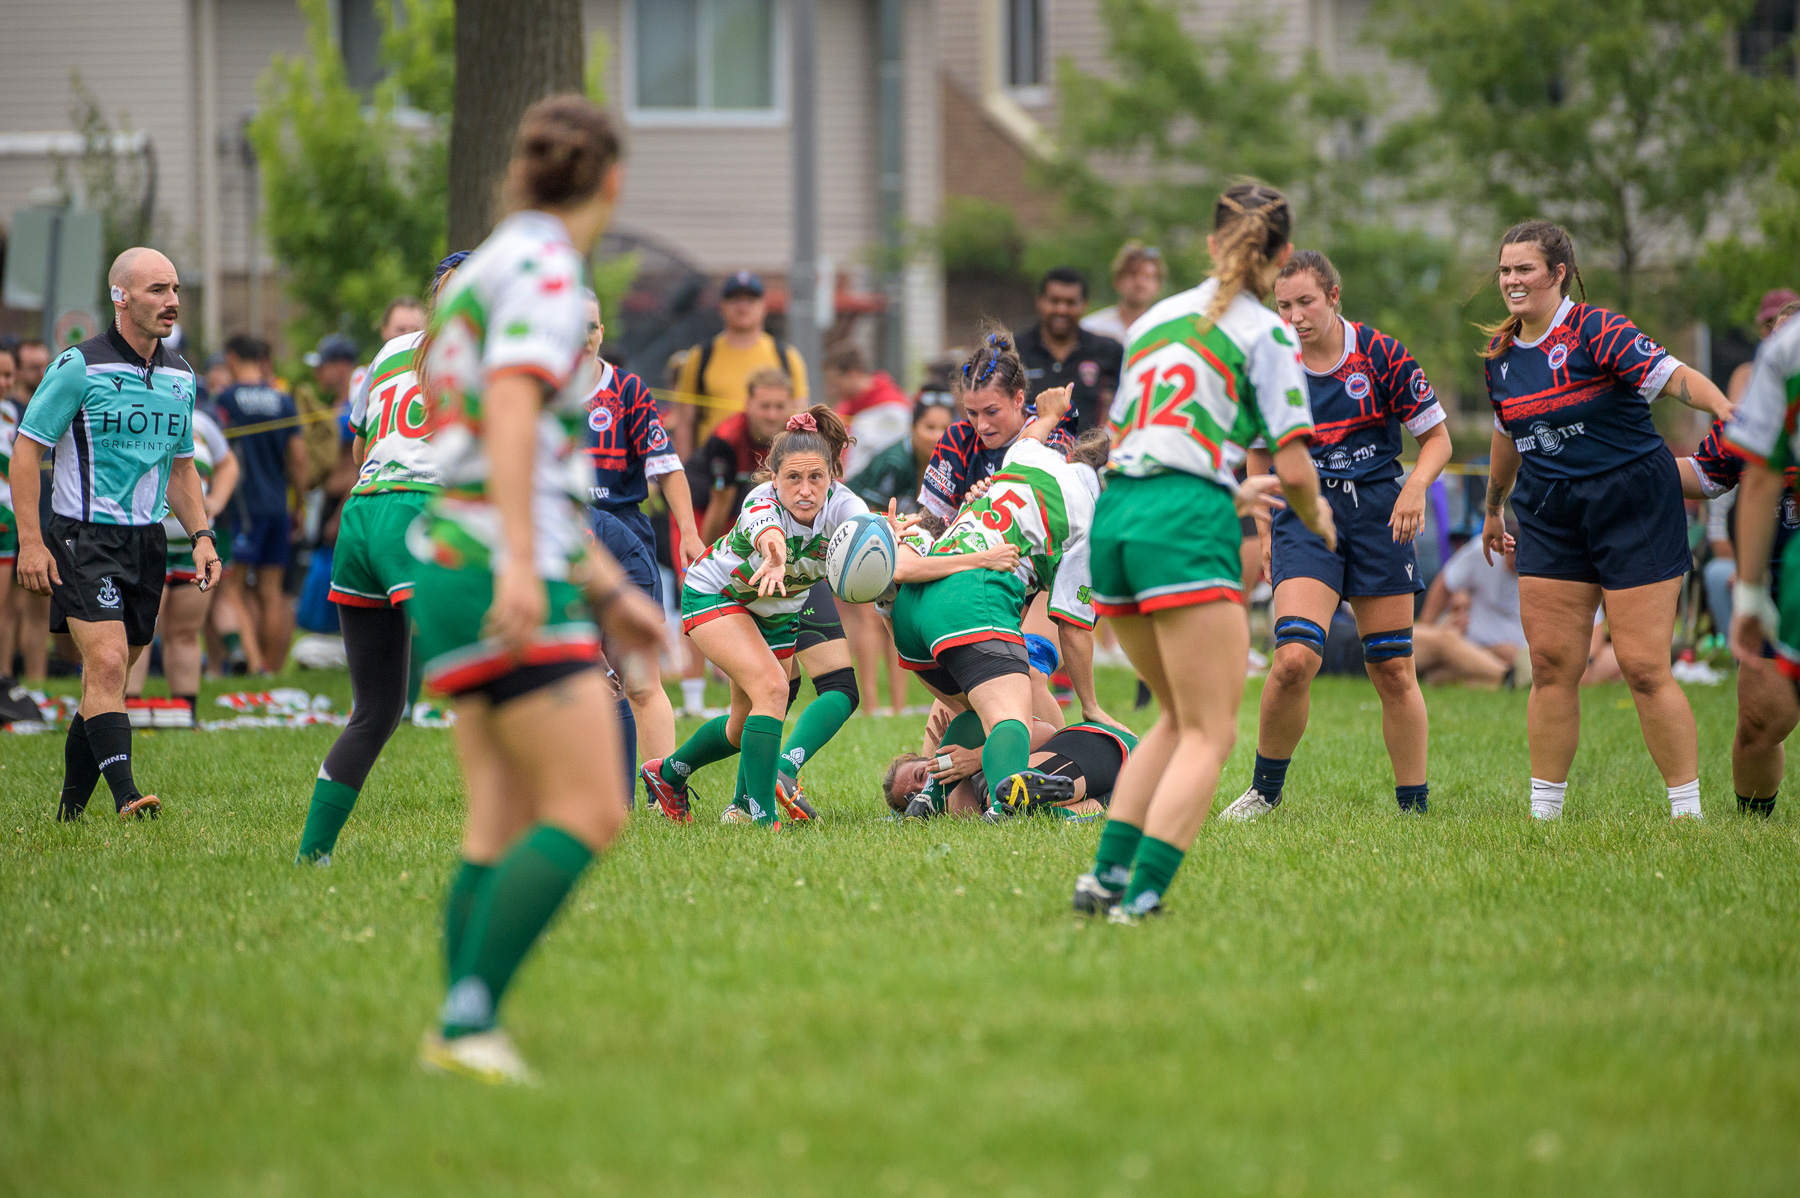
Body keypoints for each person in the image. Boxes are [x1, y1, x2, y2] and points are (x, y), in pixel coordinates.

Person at [409, 95, 665, 1084]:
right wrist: (526, 562)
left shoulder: (484, 267)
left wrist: (607, 588)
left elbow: (496, 432)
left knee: (498, 820)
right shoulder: (554, 272)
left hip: (449, 555)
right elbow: (514, 414)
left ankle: (456, 1027)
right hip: (497, 561)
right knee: (594, 807)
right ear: (615, 181)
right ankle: (467, 1019)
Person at [1070, 182, 1334, 923]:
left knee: (1176, 717)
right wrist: (1317, 518)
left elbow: (1143, 438)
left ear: (1213, 244)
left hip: (1119, 512)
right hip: (1183, 522)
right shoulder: (1267, 333)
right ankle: (1141, 896)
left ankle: (1105, 878)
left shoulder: (1154, 319)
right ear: (1283, 256)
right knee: (1212, 732)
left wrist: (1226, 492)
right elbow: (1296, 469)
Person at [1478, 220, 1732, 821]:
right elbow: (1507, 435)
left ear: (1558, 273)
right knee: (1550, 664)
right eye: (1505, 270)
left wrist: (1726, 408)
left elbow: (1674, 378)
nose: (1512, 280)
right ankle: (1544, 816)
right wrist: (1493, 507)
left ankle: (1687, 812)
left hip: (1633, 505)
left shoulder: (1596, 328)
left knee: (1643, 667)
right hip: (1550, 513)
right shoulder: (1500, 359)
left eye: (1524, 269)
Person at [1223, 250, 1452, 820]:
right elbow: (1259, 455)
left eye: (1306, 302)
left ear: (1333, 296)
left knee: (1392, 667)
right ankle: (1264, 793)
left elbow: (1438, 440)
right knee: (1293, 658)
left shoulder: (1381, 354)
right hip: (1305, 513)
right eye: (1283, 306)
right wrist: (1266, 529)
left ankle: (1414, 808)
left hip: (1380, 513)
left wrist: (1415, 487)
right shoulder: (1270, 364)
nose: (1294, 317)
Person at [9, 247, 222, 821]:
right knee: (104, 666)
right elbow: (27, 451)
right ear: (120, 297)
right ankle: (128, 797)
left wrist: (202, 535)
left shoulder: (181, 376)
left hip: (147, 542)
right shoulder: (79, 365)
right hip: (82, 537)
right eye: (157, 290)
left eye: (174, 290)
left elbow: (182, 468)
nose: (172, 302)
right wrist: (31, 541)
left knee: (107, 682)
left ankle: (69, 813)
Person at [890, 360, 1121, 819]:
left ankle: (935, 789)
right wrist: (1092, 706)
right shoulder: (1091, 520)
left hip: (912, 608)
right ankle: (1006, 807)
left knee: (976, 715)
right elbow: (1074, 628)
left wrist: (1050, 413)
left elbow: (1035, 432)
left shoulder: (1027, 455)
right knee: (1011, 720)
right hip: (973, 602)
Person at [292, 253, 465, 865]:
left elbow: (360, 444)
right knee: (497, 674)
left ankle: (312, 855)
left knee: (375, 711)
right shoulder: (484, 353)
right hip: (415, 512)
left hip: (362, 514)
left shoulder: (390, 352)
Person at [641, 407, 870, 827]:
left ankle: (668, 774)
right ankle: (760, 818)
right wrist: (776, 554)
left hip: (777, 611)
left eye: (816, 477)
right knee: (774, 689)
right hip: (715, 594)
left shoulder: (845, 506)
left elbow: (866, 536)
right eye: (793, 478)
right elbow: (770, 535)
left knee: (740, 726)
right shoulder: (759, 502)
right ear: (773, 478)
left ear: (832, 478)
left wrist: (887, 539)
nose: (805, 490)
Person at [579, 288, 704, 776]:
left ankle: (661, 793)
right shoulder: (539, 391)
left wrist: (688, 532)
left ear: (601, 332)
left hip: (622, 539)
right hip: (563, 542)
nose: (581, 336)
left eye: (590, 326)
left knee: (640, 680)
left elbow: (667, 466)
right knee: (572, 679)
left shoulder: (627, 390)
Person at [1682, 340, 1798, 817]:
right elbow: (1709, 474)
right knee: (1757, 724)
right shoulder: (1764, 395)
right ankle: (1753, 823)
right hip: (1781, 583)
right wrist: (1624, 464)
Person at [1720, 312, 1800, 819]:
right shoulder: (1787, 351)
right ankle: (1753, 823)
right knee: (1759, 722)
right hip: (1786, 571)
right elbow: (1753, 476)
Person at [844, 389, 958, 715]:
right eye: (929, 427)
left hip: (900, 540)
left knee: (898, 611)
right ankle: (870, 707)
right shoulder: (893, 463)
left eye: (944, 428)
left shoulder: (949, 465)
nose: (937, 436)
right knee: (870, 616)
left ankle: (898, 707)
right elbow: (869, 518)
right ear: (912, 427)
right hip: (860, 535)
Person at [124, 405, 238, 722]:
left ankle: (186, 714)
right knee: (142, 629)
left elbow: (228, 463)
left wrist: (216, 501)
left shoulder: (202, 421)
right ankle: (126, 713)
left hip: (194, 546)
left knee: (187, 631)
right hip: (148, 540)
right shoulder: (137, 410)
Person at [215, 335, 307, 674]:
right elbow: (298, 457)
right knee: (271, 591)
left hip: (242, 507)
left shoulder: (227, 399)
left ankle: (255, 665)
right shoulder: (282, 400)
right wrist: (299, 503)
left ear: (232, 357)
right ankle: (272, 667)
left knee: (233, 589)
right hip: (277, 505)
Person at [884, 714, 1138, 821]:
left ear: (927, 758)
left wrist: (975, 757)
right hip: (1125, 784)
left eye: (921, 775)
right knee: (1015, 814)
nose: (922, 788)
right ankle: (1072, 814)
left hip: (1096, 747)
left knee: (1004, 791)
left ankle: (1028, 787)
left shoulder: (971, 741)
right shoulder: (963, 807)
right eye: (912, 797)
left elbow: (1044, 731)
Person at [671, 270, 809, 457]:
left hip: (773, 464)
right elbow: (684, 424)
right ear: (722, 306)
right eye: (735, 299)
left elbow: (801, 422)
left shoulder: (787, 356)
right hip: (713, 465)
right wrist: (685, 471)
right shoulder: (700, 357)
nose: (743, 307)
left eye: (751, 300)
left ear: (763, 306)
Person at [689, 367, 798, 545]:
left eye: (779, 407)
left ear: (790, 406)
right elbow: (719, 506)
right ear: (748, 404)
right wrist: (705, 558)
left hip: (743, 497)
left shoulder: (797, 436)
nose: (772, 415)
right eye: (765, 406)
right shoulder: (726, 439)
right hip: (702, 505)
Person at [1015, 266, 1123, 433]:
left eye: (1070, 303)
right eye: (1054, 301)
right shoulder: (1015, 351)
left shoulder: (1109, 351)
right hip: (1029, 447)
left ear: (1084, 304)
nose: (1062, 310)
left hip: (1091, 448)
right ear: (1040, 301)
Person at [1413, 534, 1525, 687]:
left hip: (1499, 648)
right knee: (1447, 639)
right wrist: (1428, 629)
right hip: (1463, 641)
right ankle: (1508, 676)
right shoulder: (1483, 552)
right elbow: (1446, 583)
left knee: (1440, 673)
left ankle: (1505, 676)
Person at [10, 338, 54, 684]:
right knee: (9, 608)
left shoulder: (54, 404)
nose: (41, 373)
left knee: (41, 605)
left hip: (48, 517)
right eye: (32, 367)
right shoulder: (9, 411)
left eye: (45, 365)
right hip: (11, 518)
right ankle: (6, 681)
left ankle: (36, 685)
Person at [825, 342, 911, 477]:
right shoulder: (846, 405)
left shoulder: (892, 410)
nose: (831, 390)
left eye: (835, 383)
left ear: (853, 373)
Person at [1081, 241, 1166, 345]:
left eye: (1147, 277)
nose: (1140, 283)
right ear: (1117, 280)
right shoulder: (1092, 329)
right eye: (1133, 275)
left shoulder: (1164, 330)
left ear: (1158, 285)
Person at [1727, 289, 1799, 404]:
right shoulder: (1746, 375)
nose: (1779, 334)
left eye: (1787, 327)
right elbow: (1735, 413)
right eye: (1769, 325)